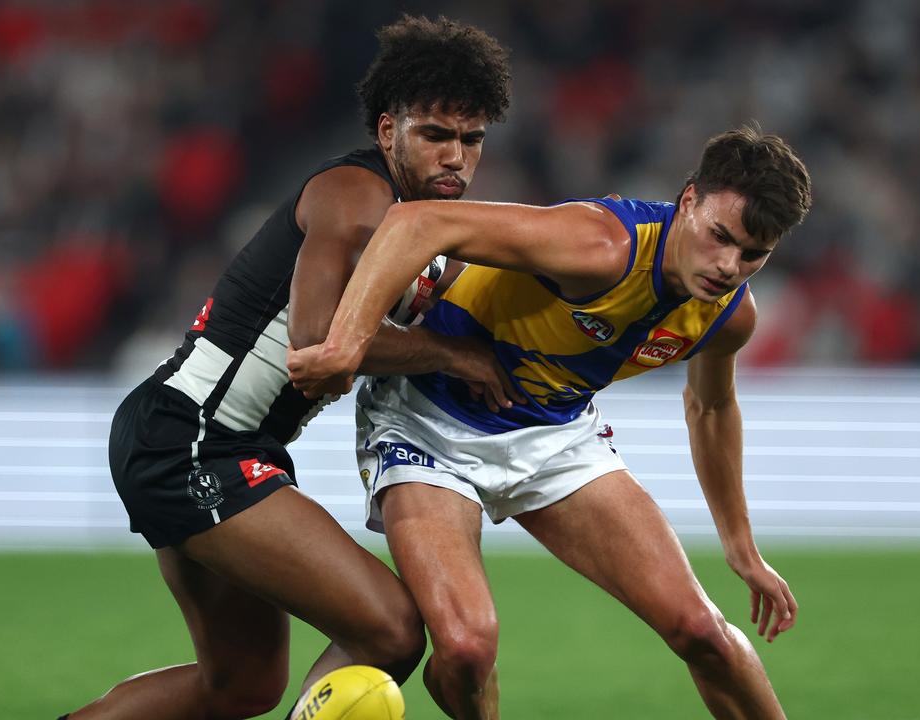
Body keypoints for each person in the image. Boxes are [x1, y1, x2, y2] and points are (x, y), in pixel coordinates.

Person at [62, 16, 514, 720]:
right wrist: (453, 354)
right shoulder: (356, 196)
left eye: (471, 139)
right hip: (194, 440)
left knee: (240, 686)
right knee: (390, 630)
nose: (455, 156)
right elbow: (315, 349)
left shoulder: (430, 229)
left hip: (204, 440)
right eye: (436, 135)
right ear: (389, 130)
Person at [287, 126, 812, 719]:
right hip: (426, 421)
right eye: (721, 236)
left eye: (753, 256)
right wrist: (345, 344)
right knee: (465, 647)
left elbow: (711, 407)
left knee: (702, 630)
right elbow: (417, 224)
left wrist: (741, 548)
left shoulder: (729, 316)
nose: (728, 266)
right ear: (689, 200)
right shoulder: (599, 245)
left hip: (554, 434)